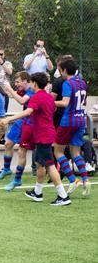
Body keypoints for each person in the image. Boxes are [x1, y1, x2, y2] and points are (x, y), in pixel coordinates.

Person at [3, 72, 70, 206]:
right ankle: (38, 193)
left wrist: (9, 118)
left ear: (34, 83)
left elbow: (28, 112)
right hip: (46, 133)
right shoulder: (49, 97)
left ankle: (63, 196)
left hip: (43, 135)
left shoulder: (36, 97)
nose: (29, 85)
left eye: (31, 82)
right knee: (40, 163)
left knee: (50, 166)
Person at [52, 58, 90, 197]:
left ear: (65, 70)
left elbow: (65, 102)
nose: (59, 72)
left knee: (58, 152)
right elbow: (84, 101)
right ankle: (86, 180)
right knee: (75, 153)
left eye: (60, 70)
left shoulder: (68, 83)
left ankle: (73, 180)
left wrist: (50, 101)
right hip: (81, 120)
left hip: (68, 121)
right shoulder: (83, 83)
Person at [0, 72, 34, 188]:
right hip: (22, 121)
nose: (16, 84)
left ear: (25, 81)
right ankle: (7, 169)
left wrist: (10, 89)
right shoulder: (24, 90)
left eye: (18, 82)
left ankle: (17, 180)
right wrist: (6, 86)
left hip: (31, 123)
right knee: (8, 144)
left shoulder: (32, 90)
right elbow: (16, 96)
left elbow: (22, 101)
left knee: (22, 151)